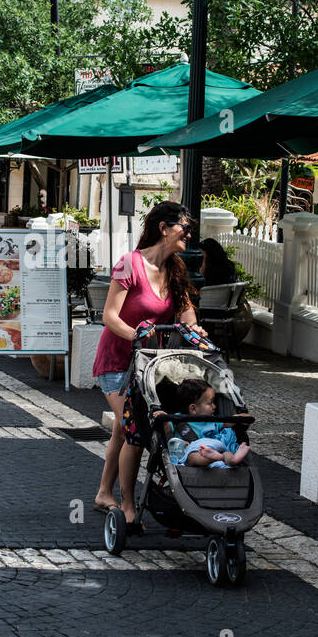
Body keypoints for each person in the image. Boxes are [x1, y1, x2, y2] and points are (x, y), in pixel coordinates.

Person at [93, 201, 204, 525]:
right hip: (116, 363)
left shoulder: (175, 269)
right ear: (164, 228)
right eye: (184, 227)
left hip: (150, 365)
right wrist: (136, 336)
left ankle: (104, 493)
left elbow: (184, 311)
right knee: (136, 431)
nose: (189, 233)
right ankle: (128, 507)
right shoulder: (130, 264)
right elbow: (109, 316)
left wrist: (194, 328)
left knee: (121, 430)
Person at [162, 378, 250, 468]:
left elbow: (229, 422)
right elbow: (166, 431)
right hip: (200, 451)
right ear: (193, 409)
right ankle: (226, 458)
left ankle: (222, 457)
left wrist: (240, 418)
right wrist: (163, 420)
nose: (214, 406)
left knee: (195, 456)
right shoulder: (177, 420)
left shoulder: (212, 419)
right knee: (194, 456)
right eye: (210, 403)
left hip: (211, 447)